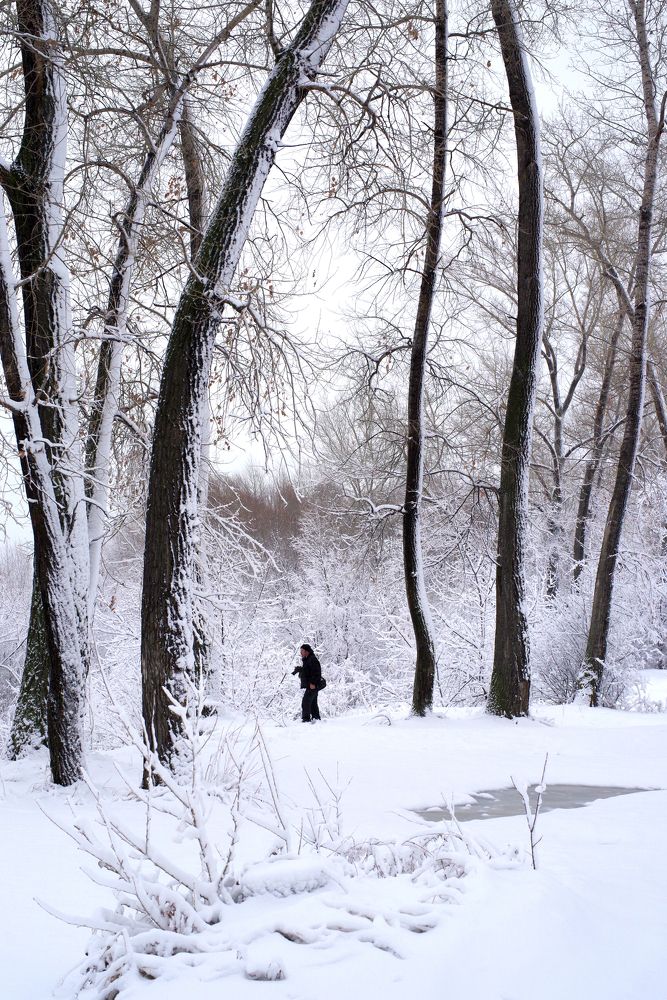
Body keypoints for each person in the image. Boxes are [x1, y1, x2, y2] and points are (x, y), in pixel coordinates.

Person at [293, 643, 322, 722]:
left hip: (312, 685)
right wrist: (300, 669)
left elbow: (317, 672)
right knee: (313, 703)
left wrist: (313, 683)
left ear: (307, 651)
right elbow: (308, 671)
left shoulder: (312, 659)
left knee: (305, 702)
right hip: (311, 685)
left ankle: (306, 720)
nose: (300, 652)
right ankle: (316, 719)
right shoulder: (307, 659)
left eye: (302, 651)